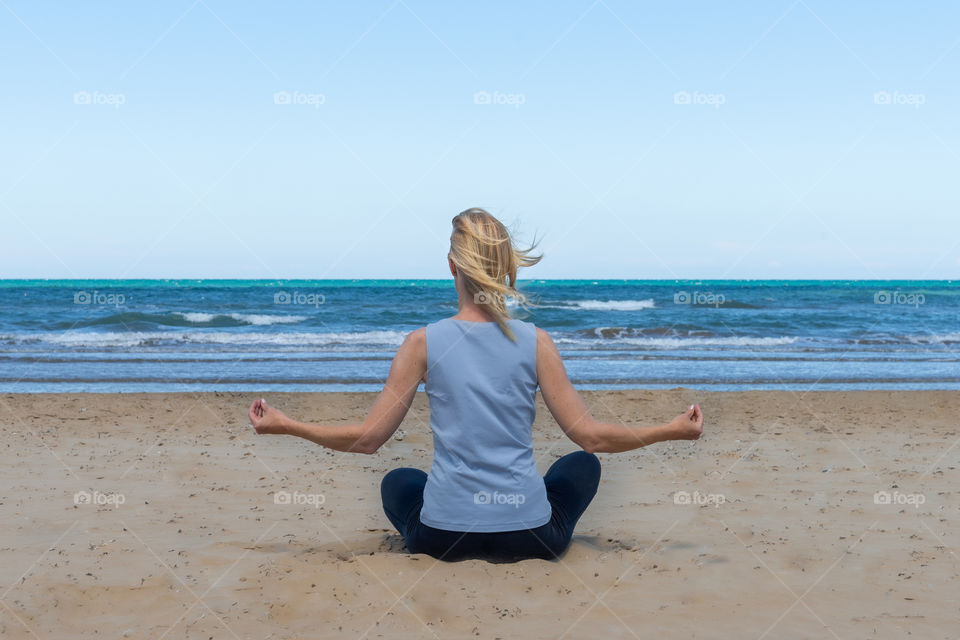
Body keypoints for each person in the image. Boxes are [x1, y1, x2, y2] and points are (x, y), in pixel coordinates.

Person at [248, 207, 704, 562]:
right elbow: (591, 436)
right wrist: (671, 429)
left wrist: (288, 425)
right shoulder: (536, 341)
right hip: (530, 539)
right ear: (506, 268)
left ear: (451, 265)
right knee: (582, 463)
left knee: (399, 481)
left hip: (442, 538)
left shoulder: (421, 343)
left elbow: (369, 440)